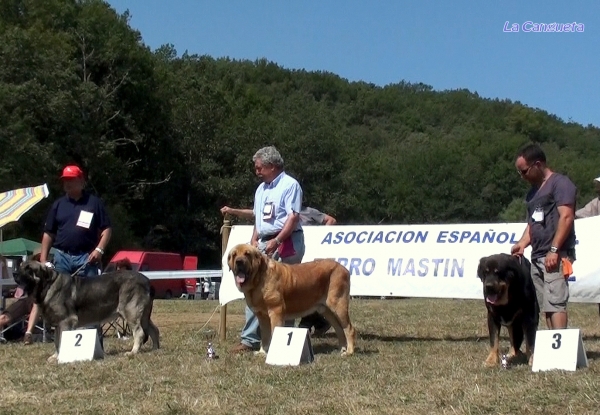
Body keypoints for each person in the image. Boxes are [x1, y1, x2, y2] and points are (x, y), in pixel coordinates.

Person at [230, 145, 305, 354]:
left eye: (259, 167)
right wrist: (253, 241)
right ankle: (250, 340)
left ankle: (284, 344)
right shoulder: (261, 189)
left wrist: (278, 240)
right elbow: (259, 219)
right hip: (262, 244)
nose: (257, 172)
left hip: (287, 241)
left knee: (286, 291)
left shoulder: (291, 185)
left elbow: (293, 216)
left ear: (272, 166)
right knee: (252, 287)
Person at [220, 205, 336, 335]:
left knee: (288, 295)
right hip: (268, 244)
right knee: (262, 297)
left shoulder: (308, 211)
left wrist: (317, 239)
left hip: (292, 247)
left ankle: (283, 338)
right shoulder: (264, 195)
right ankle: (257, 339)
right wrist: (234, 212)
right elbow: (257, 215)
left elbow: (330, 220)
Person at [31, 164, 113, 348]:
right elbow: (48, 233)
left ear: (81, 181)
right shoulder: (58, 205)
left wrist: (99, 249)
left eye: (71, 180)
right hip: (62, 258)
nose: (67, 184)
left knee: (92, 300)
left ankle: (94, 346)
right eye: (64, 181)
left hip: (87, 258)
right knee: (59, 303)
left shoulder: (93, 203)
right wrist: (44, 260)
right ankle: (61, 347)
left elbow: (107, 229)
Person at [511, 144, 577, 330]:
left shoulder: (561, 184)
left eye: (523, 171)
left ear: (537, 164)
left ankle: (561, 348)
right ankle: (552, 349)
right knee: (546, 305)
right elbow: (533, 223)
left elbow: (566, 216)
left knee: (556, 303)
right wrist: (522, 243)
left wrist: (554, 249)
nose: (522, 176)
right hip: (538, 255)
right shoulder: (532, 193)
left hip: (556, 254)